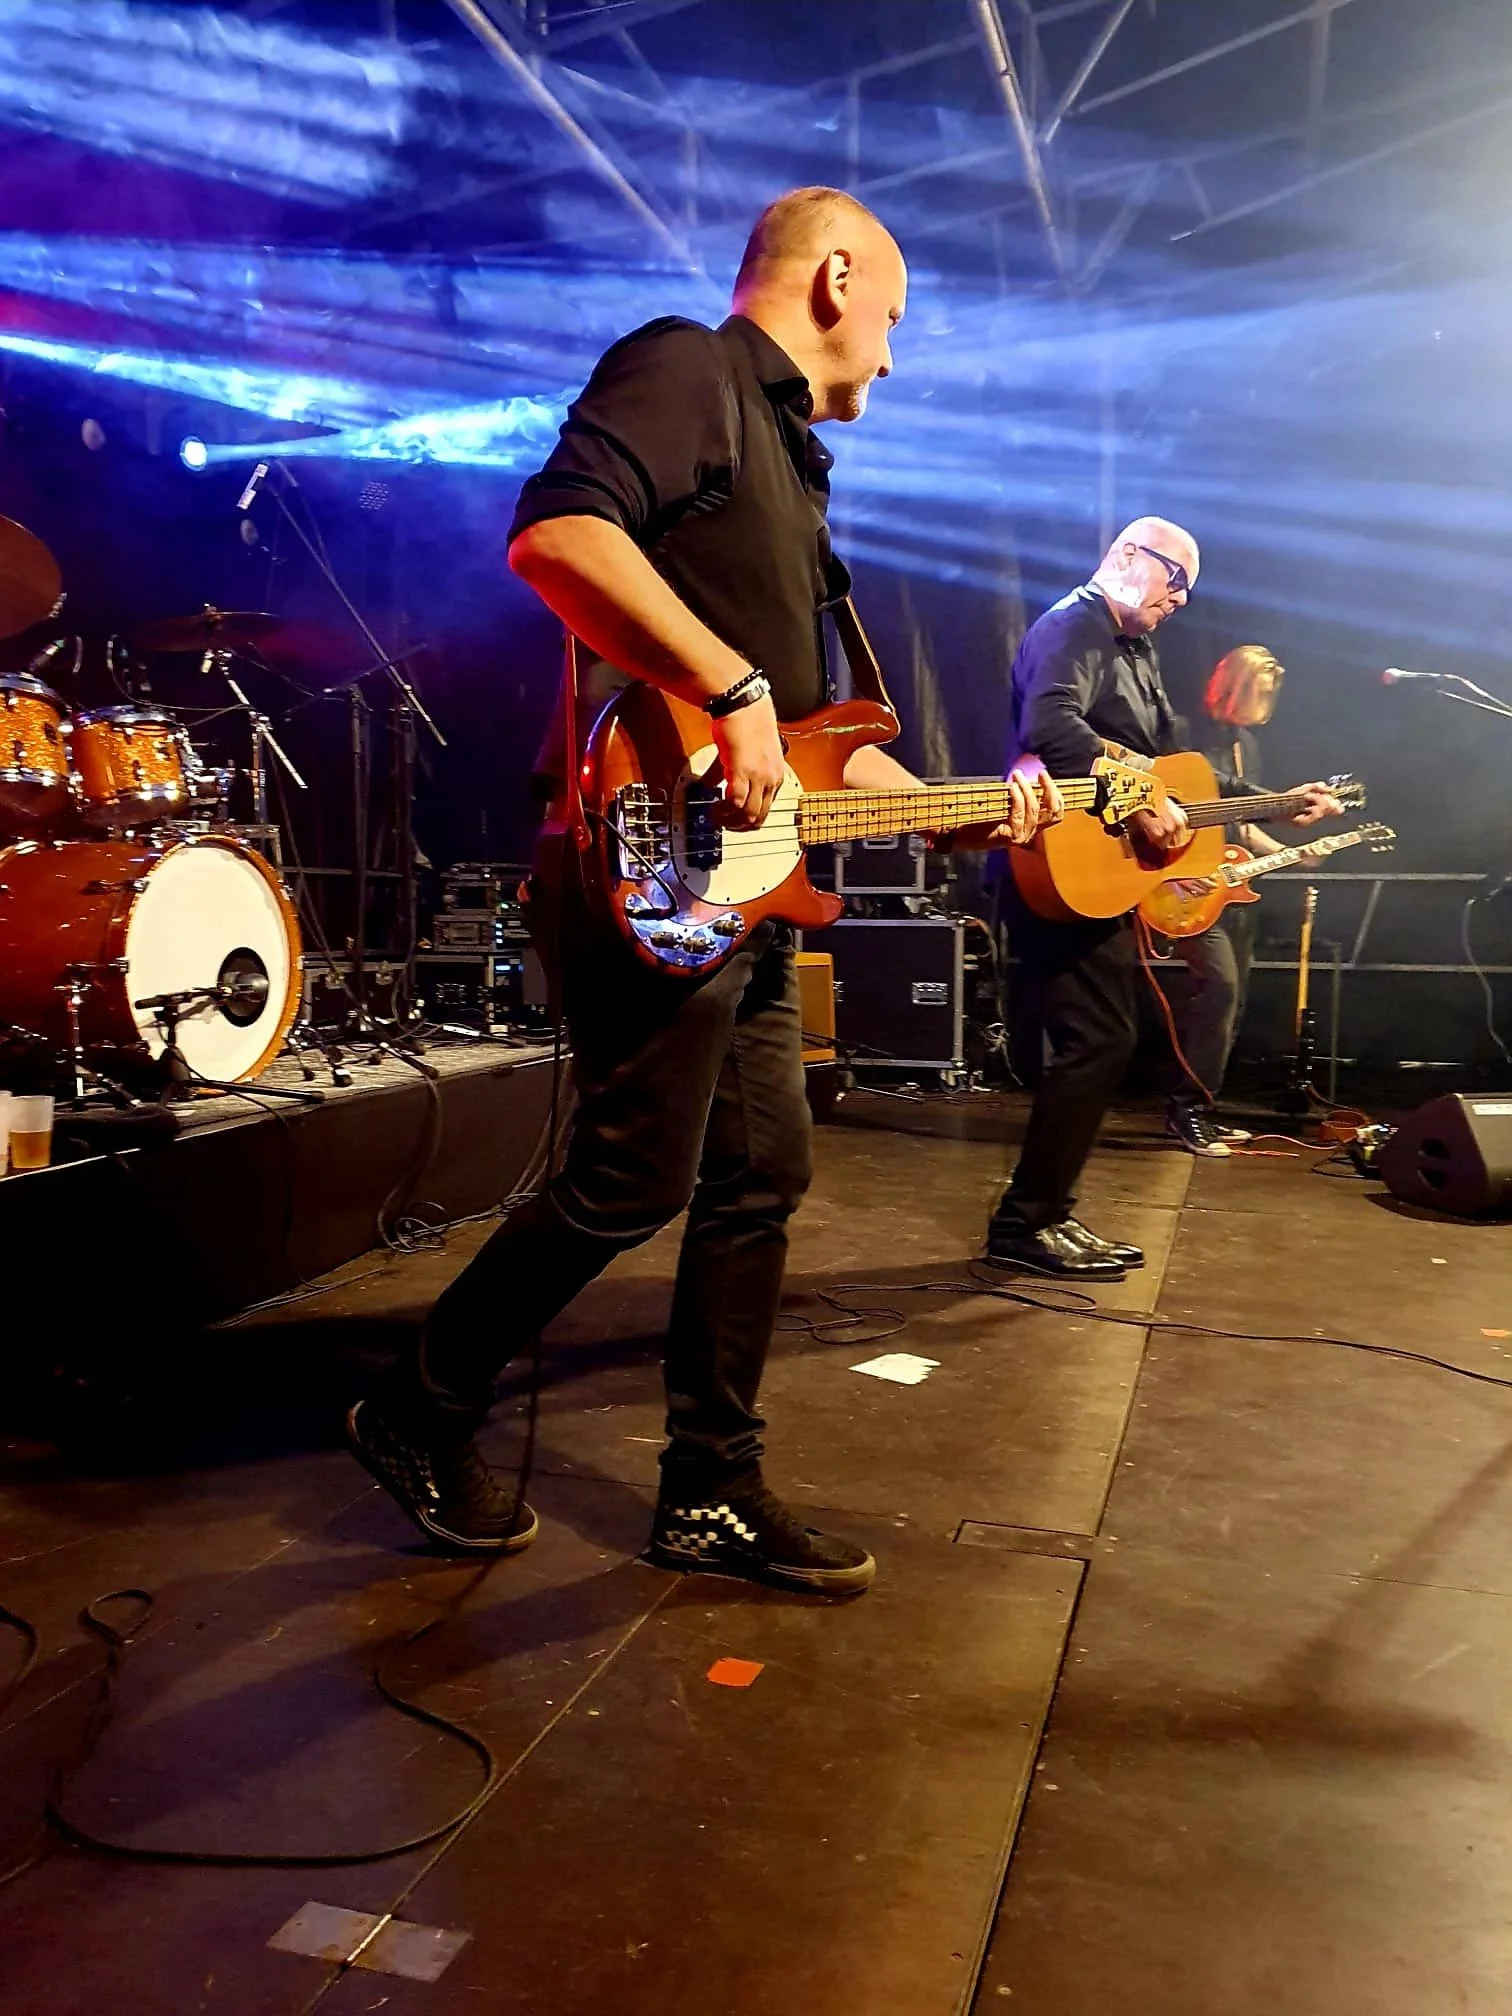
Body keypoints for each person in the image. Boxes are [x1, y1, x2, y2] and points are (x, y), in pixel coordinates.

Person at [348, 187, 1054, 1593]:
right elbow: (557, 536)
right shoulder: (691, 366)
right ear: (838, 275)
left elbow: (807, 760)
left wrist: (970, 813)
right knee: (628, 1180)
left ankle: (711, 1489)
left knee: (761, 1178)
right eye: (894, 322)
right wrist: (721, 684)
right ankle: (417, 1409)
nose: (895, 361)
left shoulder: (798, 475)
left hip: (743, 888)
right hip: (641, 865)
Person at [985, 521, 1341, 1279]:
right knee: (1097, 1041)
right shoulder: (1075, 624)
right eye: (1173, 577)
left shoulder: (1131, 651)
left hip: (1100, 874)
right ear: (1122, 558)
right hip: (1059, 864)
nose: (1181, 597)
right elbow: (1050, 728)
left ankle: (1045, 1214)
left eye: (1189, 586)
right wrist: (1138, 789)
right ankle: (1028, 1221)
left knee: (1104, 1039)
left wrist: (1273, 803)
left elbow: (1183, 778)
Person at [1165, 643, 1323, 1156]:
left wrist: (1293, 853)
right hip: (1188, 882)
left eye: (1273, 690)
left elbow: (1244, 827)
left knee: (1233, 998)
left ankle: (1203, 1107)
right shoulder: (1187, 737)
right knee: (1220, 988)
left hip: (1233, 888)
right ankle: (1185, 1111)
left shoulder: (1246, 748)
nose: (1267, 699)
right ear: (1233, 685)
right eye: (1260, 688)